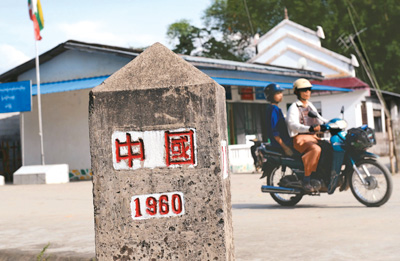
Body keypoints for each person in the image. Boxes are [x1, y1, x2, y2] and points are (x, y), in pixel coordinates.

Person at [286, 78, 327, 192]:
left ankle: (322, 175)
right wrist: (308, 128)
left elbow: (319, 118)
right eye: (304, 90)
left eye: (309, 89)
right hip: (299, 138)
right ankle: (307, 179)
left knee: (329, 146)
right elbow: (292, 125)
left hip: (312, 137)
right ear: (297, 92)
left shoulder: (310, 105)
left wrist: (330, 124)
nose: (307, 92)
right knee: (315, 149)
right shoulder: (294, 107)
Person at [264, 83, 293, 156]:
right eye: (277, 93)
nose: (281, 95)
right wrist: (285, 148)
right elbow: (275, 133)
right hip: (281, 144)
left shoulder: (274, 108)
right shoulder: (274, 109)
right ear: (271, 96)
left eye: (281, 92)